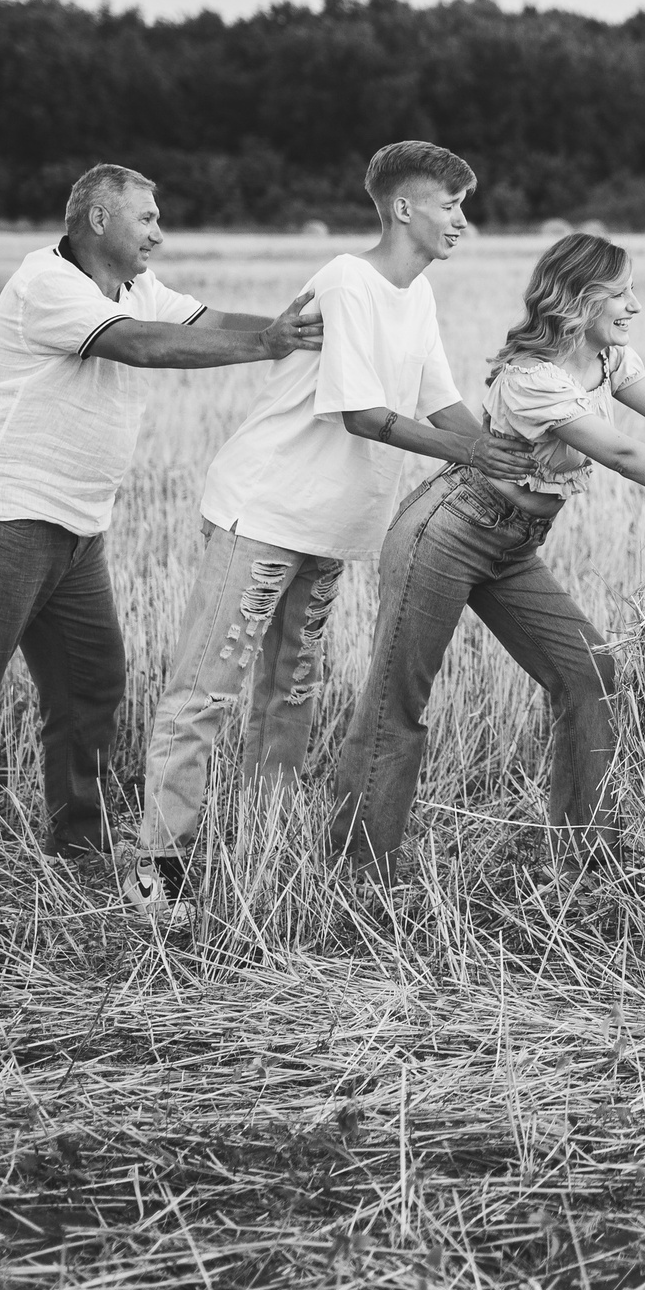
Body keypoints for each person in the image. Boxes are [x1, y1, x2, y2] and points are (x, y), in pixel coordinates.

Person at [0, 164, 321, 905]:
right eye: (146, 218)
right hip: (2, 508)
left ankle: (77, 837)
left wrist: (305, 331)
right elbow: (144, 348)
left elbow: (209, 323)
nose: (159, 231)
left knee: (92, 682)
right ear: (96, 220)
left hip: (79, 522)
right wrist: (271, 344)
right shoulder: (45, 284)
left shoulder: (137, 288)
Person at [128, 140, 530, 925]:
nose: (462, 222)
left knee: (291, 695)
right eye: (451, 206)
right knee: (203, 692)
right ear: (405, 208)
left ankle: (261, 847)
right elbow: (362, 413)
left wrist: (512, 456)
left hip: (331, 527)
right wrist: (472, 452)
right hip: (266, 512)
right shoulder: (348, 279)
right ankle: (155, 872)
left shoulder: (417, 298)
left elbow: (442, 403)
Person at [327, 232, 645, 868]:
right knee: (399, 697)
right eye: (620, 293)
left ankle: (581, 855)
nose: (635, 306)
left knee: (590, 674)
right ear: (578, 300)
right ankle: (356, 866)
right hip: (449, 532)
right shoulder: (531, 379)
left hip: (513, 545)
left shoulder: (607, 359)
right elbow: (623, 454)